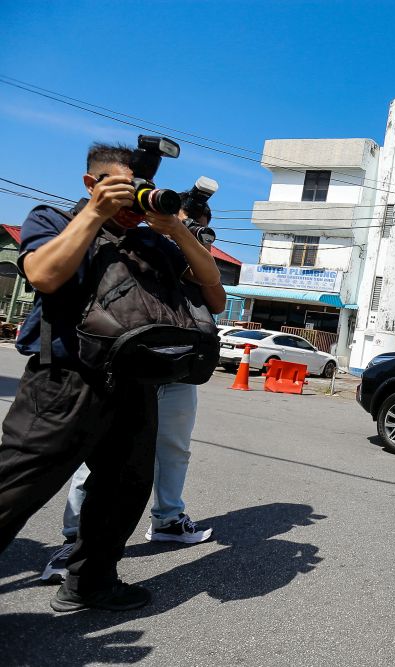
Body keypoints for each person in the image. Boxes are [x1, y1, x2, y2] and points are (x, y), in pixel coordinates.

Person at [0, 142, 226, 612]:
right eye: (125, 192)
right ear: (92, 183)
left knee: (125, 487)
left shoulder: (152, 241)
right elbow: (43, 275)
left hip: (133, 383)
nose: (134, 206)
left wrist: (178, 230)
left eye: (142, 194)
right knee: (17, 486)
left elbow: (215, 295)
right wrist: (95, 215)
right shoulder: (54, 220)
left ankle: (91, 582)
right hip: (64, 382)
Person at [39, 204, 217, 584]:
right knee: (97, 458)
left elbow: (215, 297)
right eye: (183, 223)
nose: (191, 232)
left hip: (179, 364)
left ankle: (168, 518)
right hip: (128, 364)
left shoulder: (179, 252)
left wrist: (186, 237)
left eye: (199, 229)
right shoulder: (133, 243)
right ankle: (75, 541)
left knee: (174, 449)